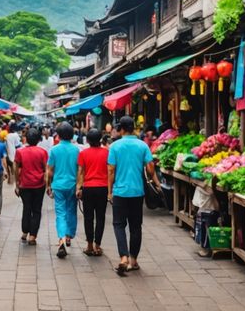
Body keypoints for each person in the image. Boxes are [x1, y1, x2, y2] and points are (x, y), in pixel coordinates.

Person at [108, 116, 161, 276]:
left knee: (119, 225)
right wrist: (157, 184)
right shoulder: (142, 145)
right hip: (137, 192)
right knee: (135, 226)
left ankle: (123, 257)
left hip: (120, 191)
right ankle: (134, 260)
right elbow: (151, 169)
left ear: (121, 129)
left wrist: (109, 191)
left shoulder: (115, 146)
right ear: (133, 128)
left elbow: (111, 170)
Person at [46, 122, 79, 259]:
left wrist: (48, 185)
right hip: (72, 185)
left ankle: (61, 240)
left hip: (58, 186)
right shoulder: (77, 150)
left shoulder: (54, 150)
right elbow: (80, 170)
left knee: (60, 213)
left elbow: (49, 171)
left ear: (58, 135)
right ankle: (69, 235)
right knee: (71, 210)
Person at [76, 128, 108, 257]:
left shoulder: (83, 154)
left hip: (88, 188)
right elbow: (110, 170)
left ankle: (89, 245)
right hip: (102, 188)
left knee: (88, 218)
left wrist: (78, 188)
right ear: (100, 139)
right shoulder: (107, 153)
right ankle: (98, 246)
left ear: (87, 140)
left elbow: (81, 172)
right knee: (100, 217)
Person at [14, 128, 48, 245]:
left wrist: (17, 184)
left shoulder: (20, 152)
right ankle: (33, 235)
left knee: (26, 207)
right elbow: (46, 169)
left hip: (24, 184)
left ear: (26, 138)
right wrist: (48, 184)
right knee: (37, 210)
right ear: (38, 139)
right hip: (39, 185)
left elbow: (16, 168)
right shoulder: (43, 152)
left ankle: (25, 232)